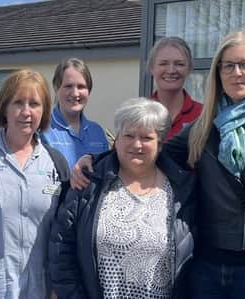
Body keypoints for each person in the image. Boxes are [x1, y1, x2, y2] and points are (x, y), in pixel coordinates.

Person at [71, 30, 245, 299]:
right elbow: (151, 153)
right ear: (218, 72)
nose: (237, 73)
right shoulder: (203, 127)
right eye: (228, 65)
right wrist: (95, 160)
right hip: (205, 268)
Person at [50, 97, 195, 299]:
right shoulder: (89, 182)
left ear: (160, 144)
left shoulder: (182, 191)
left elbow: (193, 262)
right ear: (116, 140)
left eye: (146, 138)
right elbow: (61, 250)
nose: (137, 144)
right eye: (129, 135)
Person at [0, 69, 69, 299]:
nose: (26, 112)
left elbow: (64, 232)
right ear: (4, 107)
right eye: (18, 102)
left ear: (44, 111)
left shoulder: (56, 162)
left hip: (39, 289)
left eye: (35, 104)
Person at [42, 58, 109, 167]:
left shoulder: (97, 132)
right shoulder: (43, 130)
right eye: (68, 86)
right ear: (56, 88)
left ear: (89, 91)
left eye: (81, 87)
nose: (75, 93)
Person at [148, 37, 202, 141]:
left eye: (179, 64)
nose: (171, 70)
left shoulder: (203, 116)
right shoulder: (136, 115)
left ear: (189, 69)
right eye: (163, 63)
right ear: (152, 68)